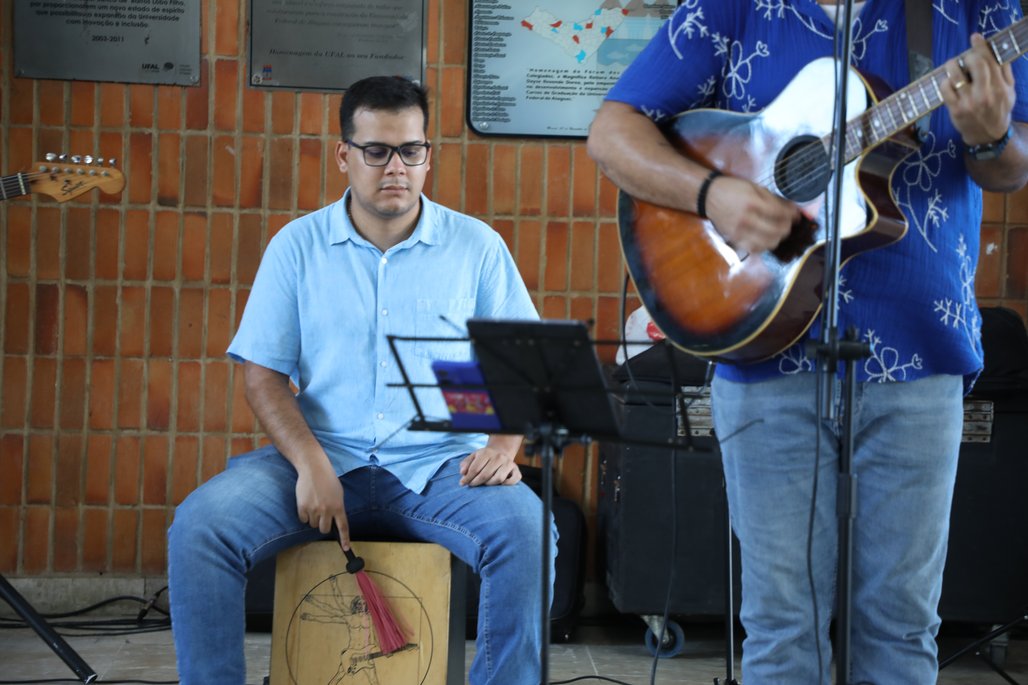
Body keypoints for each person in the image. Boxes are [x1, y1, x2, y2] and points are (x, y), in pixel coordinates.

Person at [587, 1, 1028, 683]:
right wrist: (712, 194)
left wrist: (993, 138)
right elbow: (613, 131)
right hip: (764, 349)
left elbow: (1012, 165)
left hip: (919, 351)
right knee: (781, 626)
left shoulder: (977, 12)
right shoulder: (731, 8)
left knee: (902, 626)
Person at [168, 75, 554, 685]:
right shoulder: (296, 247)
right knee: (200, 528)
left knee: (528, 534)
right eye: (376, 151)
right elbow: (263, 377)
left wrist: (504, 447)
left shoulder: (476, 247)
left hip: (440, 467)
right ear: (344, 155)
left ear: (429, 155)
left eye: (410, 150)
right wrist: (310, 464)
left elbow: (521, 363)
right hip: (321, 458)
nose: (395, 167)